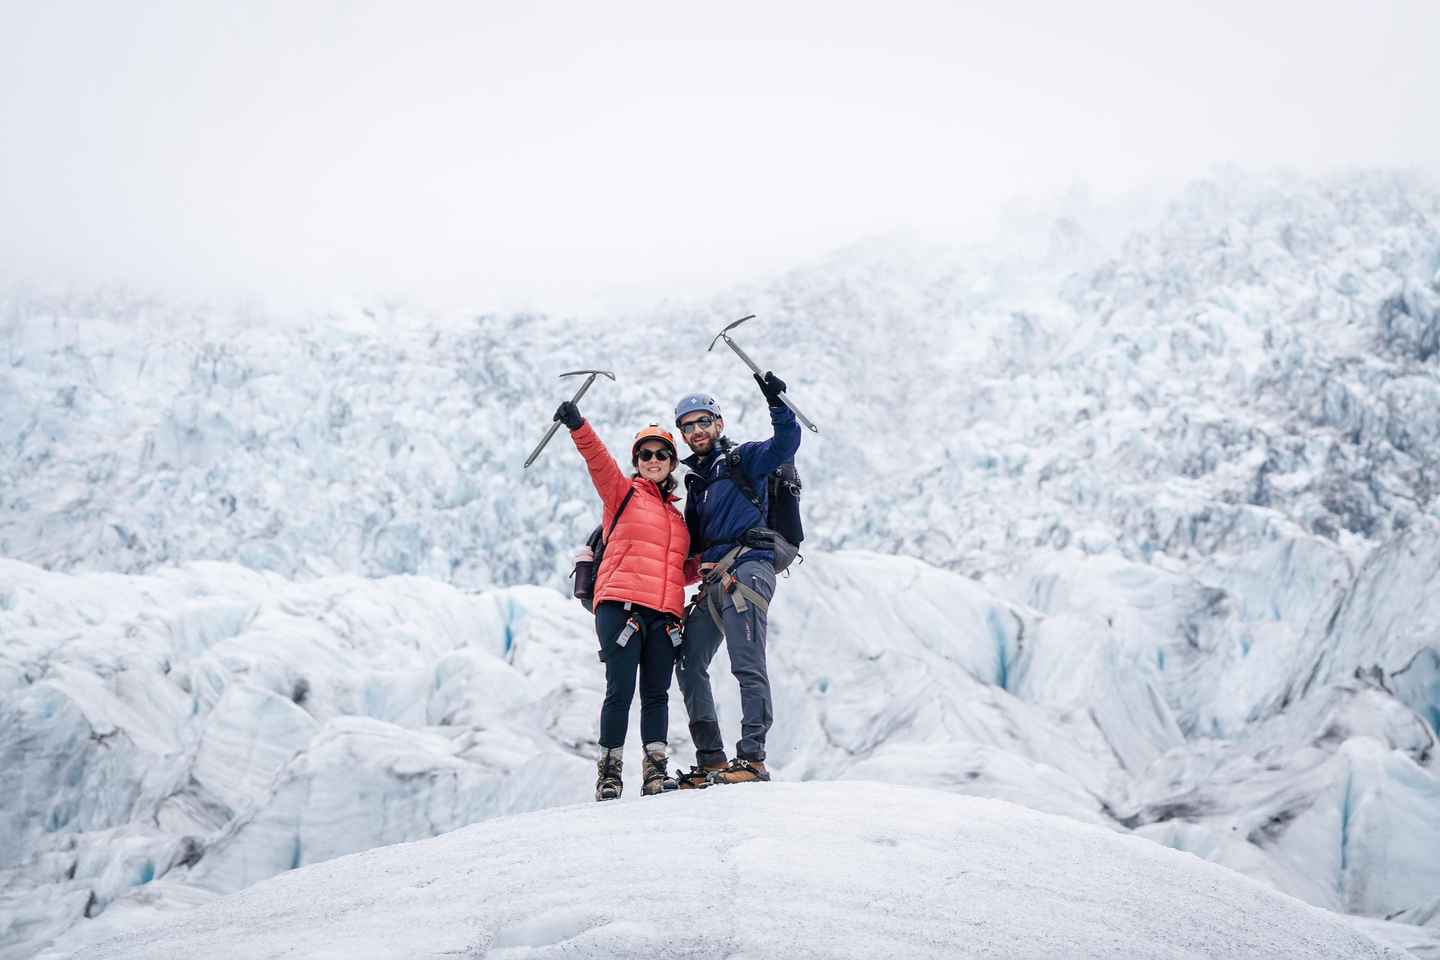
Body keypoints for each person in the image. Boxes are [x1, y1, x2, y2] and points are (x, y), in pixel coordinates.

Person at [554, 399, 698, 801]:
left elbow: (679, 570)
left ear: (672, 462)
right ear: (637, 461)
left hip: (665, 614)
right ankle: (609, 776)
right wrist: (578, 425)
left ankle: (655, 773)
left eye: (661, 454)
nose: (653, 460)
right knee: (619, 691)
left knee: (656, 695)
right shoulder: (623, 495)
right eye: (646, 454)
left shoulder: (678, 519)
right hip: (621, 606)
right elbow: (598, 462)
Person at [672, 371, 801, 786]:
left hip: (748, 568)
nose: (696, 431)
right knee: (690, 661)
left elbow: (785, 444)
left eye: (702, 422)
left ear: (718, 424)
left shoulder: (744, 459)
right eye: (687, 426)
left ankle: (753, 758)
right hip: (713, 580)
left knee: (746, 663)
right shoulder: (697, 482)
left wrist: (777, 403)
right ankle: (712, 758)